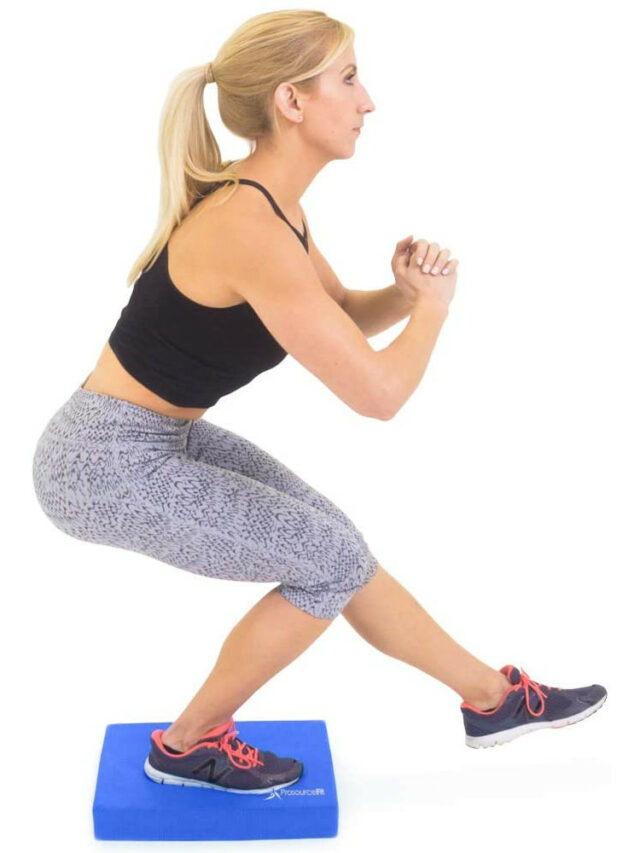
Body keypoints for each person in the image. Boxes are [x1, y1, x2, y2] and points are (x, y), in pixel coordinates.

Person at [31, 10, 607, 796]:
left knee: (339, 547)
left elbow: (338, 318)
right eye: (349, 79)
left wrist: (403, 294)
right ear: (291, 101)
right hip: (103, 465)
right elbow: (379, 394)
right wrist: (436, 310)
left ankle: (491, 698)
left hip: (154, 440)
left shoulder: (274, 206)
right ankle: (187, 743)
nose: (368, 101)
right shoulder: (248, 227)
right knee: (325, 562)